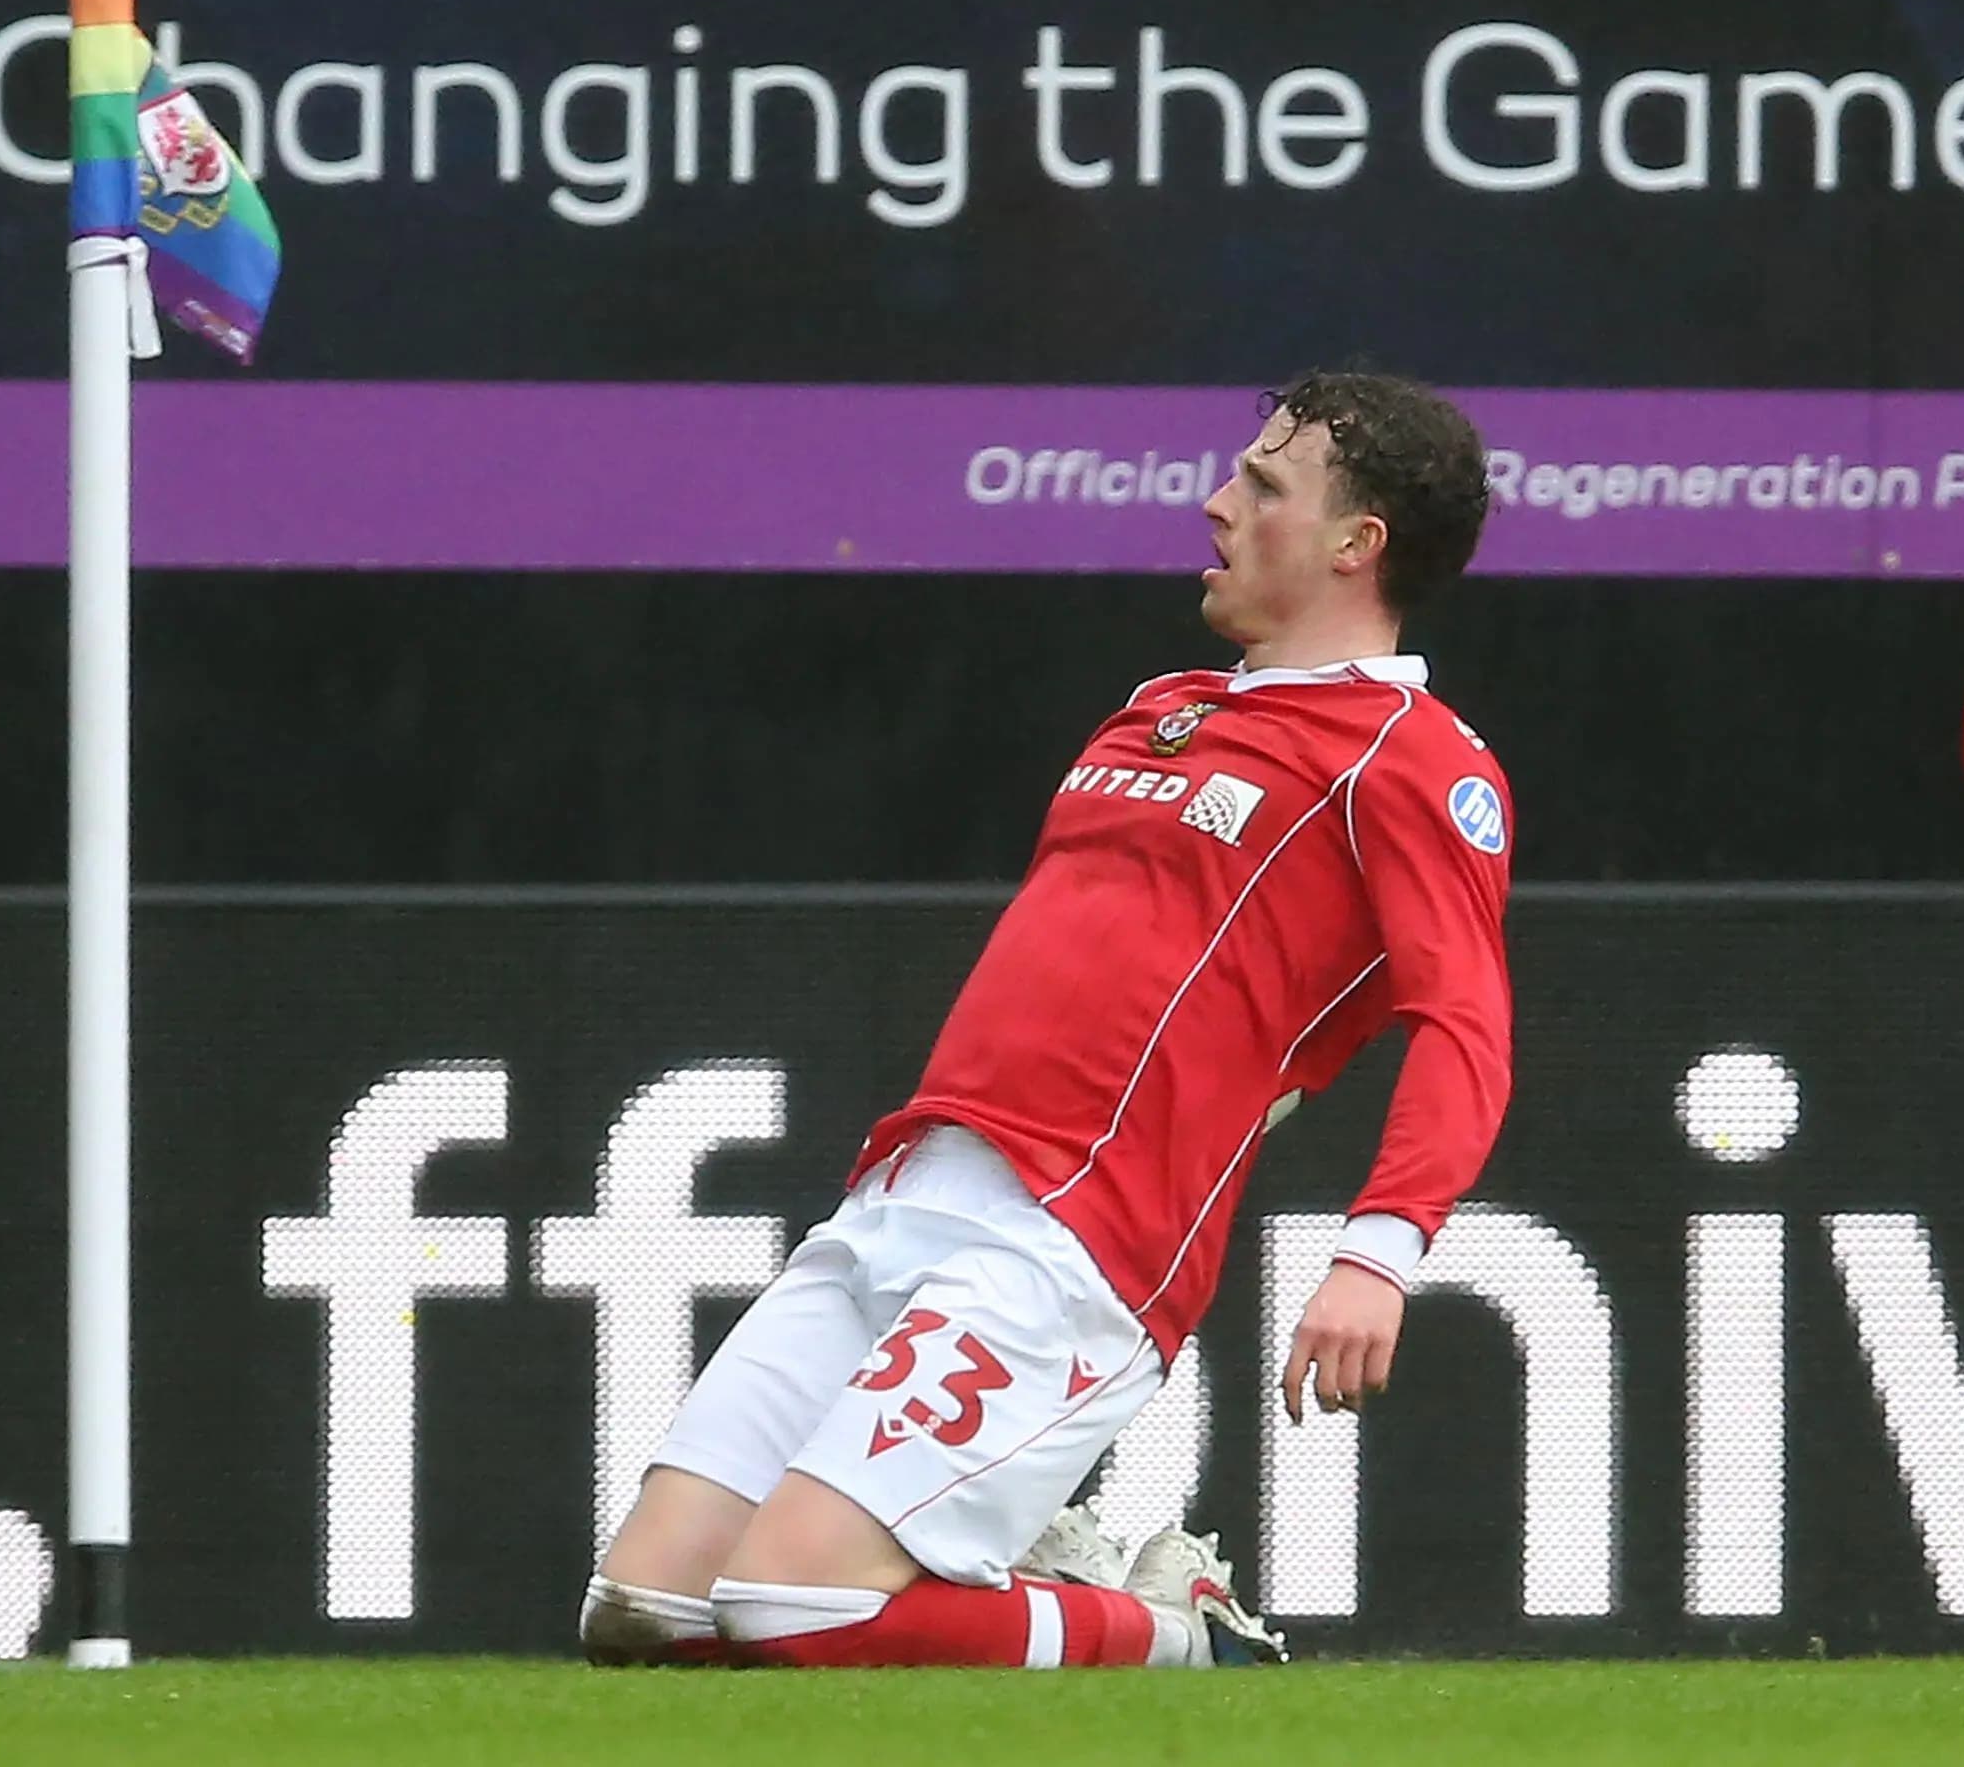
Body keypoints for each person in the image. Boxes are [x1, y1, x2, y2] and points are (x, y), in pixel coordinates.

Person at [577, 371, 1514, 1668]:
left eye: (1263, 486)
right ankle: (1022, 1579)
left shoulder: (1410, 757)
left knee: (792, 1604)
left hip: (1078, 1235)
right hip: (910, 1186)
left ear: (1359, 542)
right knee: (643, 1609)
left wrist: (1380, 1250)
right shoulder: (1161, 706)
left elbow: (1465, 1022)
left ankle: (1182, 1636)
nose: (1217, 503)